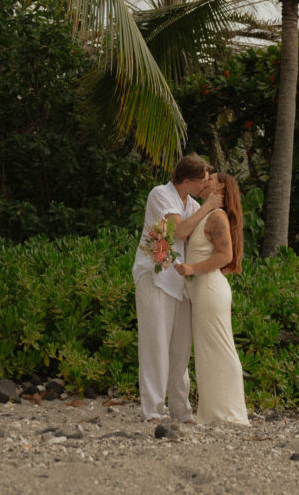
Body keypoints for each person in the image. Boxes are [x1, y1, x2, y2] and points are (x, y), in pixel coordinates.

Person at [132, 154, 223, 422]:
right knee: (155, 344)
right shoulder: (161, 194)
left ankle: (181, 410)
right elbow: (178, 231)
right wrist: (208, 207)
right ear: (188, 180)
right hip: (155, 277)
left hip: (181, 282)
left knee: (181, 348)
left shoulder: (192, 203)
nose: (205, 185)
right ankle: (152, 410)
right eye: (203, 180)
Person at [175, 173, 248, 426]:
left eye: (211, 178)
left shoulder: (217, 217)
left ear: (220, 187)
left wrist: (193, 269)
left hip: (210, 289)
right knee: (207, 352)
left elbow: (225, 255)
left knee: (220, 349)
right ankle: (214, 412)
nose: (204, 180)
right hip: (203, 291)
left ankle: (229, 413)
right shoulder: (207, 213)